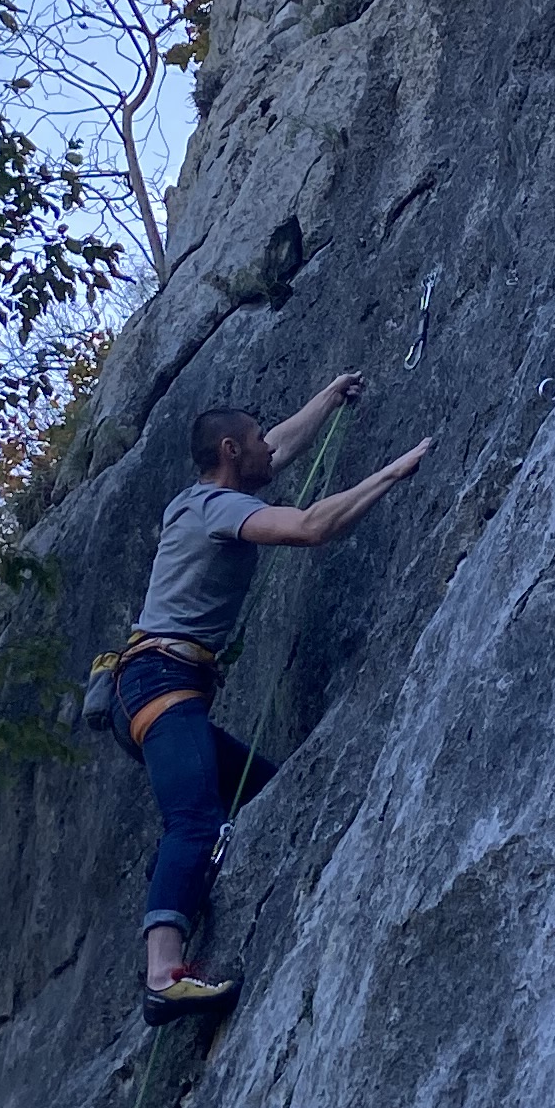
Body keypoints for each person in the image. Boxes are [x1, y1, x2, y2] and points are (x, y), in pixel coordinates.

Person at [118, 373, 432, 1018]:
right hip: (162, 684)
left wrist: (326, 395)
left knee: (268, 791)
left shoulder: (201, 498)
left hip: (156, 685)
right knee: (196, 820)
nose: (271, 450)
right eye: (256, 440)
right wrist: (391, 474)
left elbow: (279, 450)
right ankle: (160, 975)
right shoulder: (217, 510)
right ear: (232, 451)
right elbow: (312, 527)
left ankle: (192, 912)